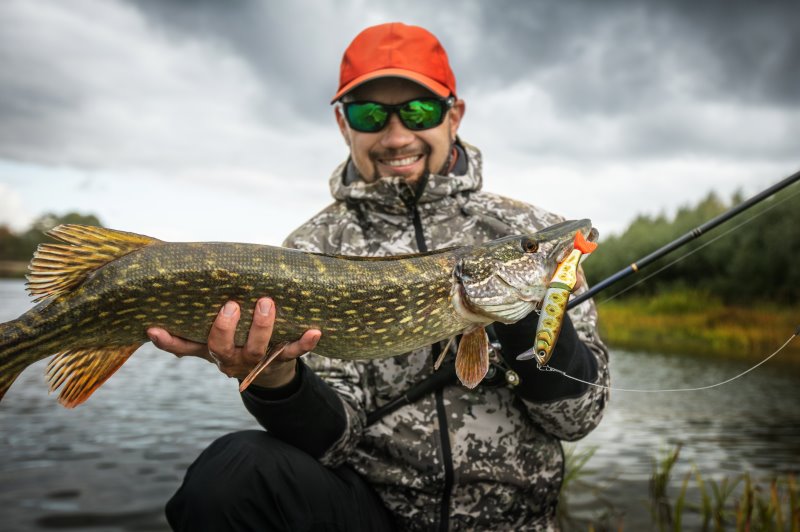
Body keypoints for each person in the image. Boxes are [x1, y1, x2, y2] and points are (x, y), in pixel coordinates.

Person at [149, 22, 610, 531]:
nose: (396, 136)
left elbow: (578, 419)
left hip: (517, 521)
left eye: (418, 110)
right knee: (232, 477)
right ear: (344, 126)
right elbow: (335, 440)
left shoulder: (527, 230)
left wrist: (520, 316)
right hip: (374, 516)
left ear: (453, 116)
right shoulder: (311, 251)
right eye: (370, 114)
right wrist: (276, 379)